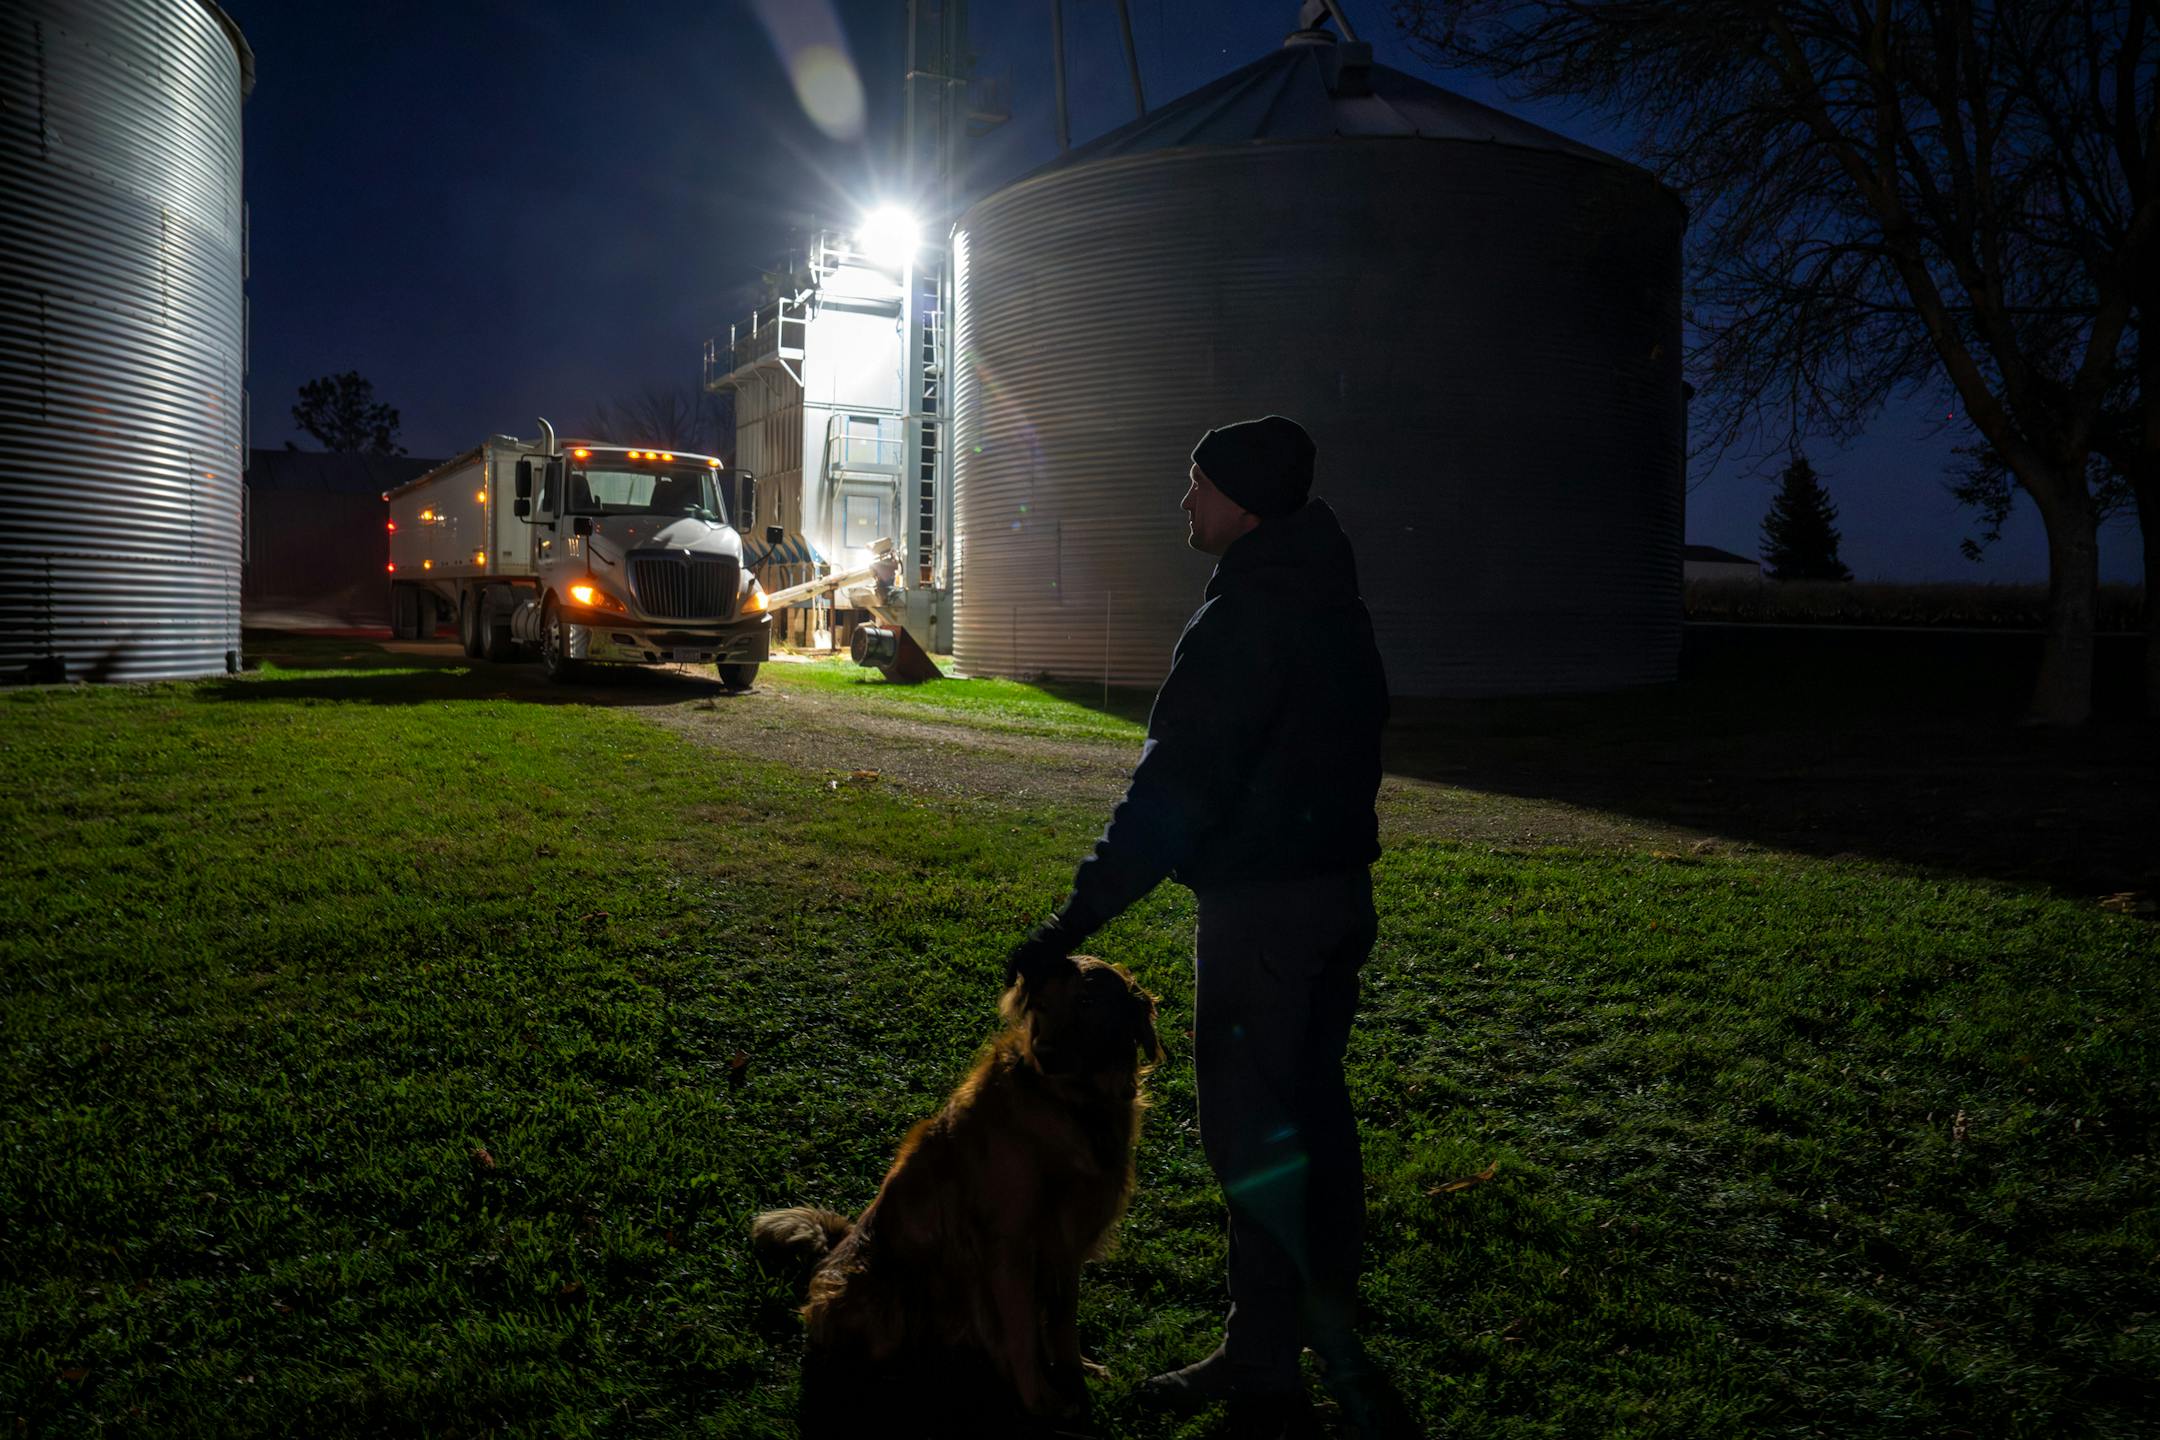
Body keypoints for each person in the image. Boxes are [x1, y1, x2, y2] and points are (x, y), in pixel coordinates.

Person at [1006, 415, 1407, 1438]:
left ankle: (1267, 1367)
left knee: (1254, 1137)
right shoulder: (1335, 600)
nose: (1184, 501)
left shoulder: (1245, 617)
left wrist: (1073, 921)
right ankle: (1326, 1333)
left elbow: (1172, 792)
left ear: (1243, 500)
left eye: (1196, 484)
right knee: (1317, 1118)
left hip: (1264, 913)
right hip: (1337, 899)